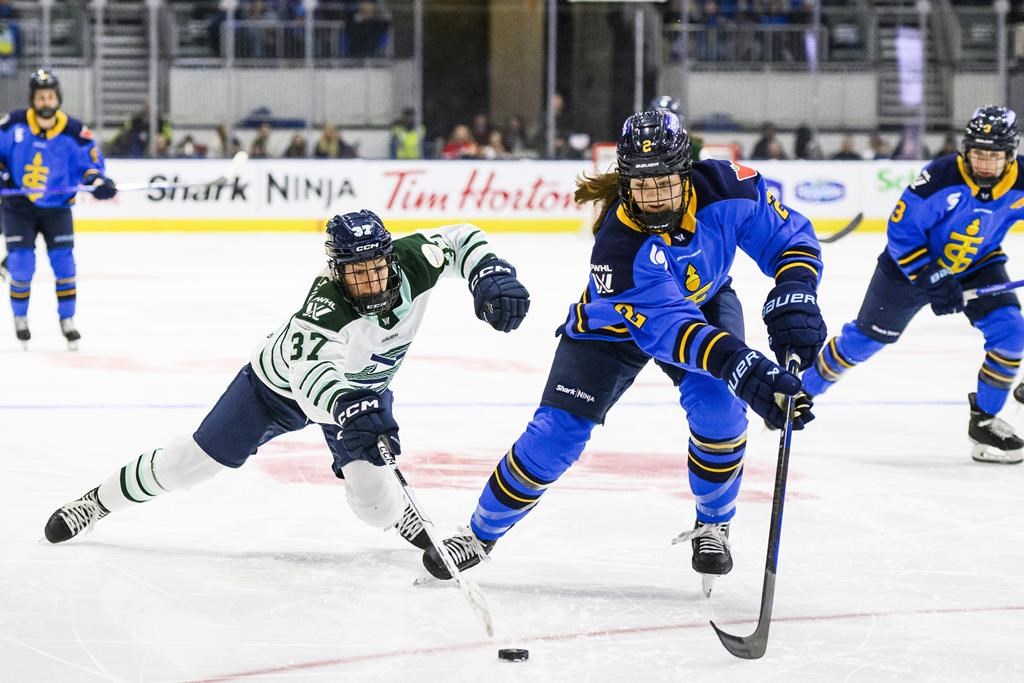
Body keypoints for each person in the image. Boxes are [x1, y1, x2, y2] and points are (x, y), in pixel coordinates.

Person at [419, 110, 825, 591]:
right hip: (613, 326)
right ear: (626, 182)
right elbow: (672, 331)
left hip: (706, 301)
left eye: (665, 183)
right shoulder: (618, 247)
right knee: (555, 435)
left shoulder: (728, 188)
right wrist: (742, 366)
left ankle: (713, 524)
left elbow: (789, 238)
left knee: (720, 411)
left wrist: (795, 291)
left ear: (687, 172)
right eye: (642, 185)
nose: (653, 198)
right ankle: (478, 534)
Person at [42, 210, 532, 548]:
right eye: (354, 273)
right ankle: (96, 503)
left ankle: (395, 507)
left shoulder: (413, 260)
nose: (368, 283)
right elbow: (309, 376)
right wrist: (347, 407)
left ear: (389, 257)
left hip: (359, 393)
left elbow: (460, 237)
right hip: (276, 390)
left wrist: (487, 271)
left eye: (375, 268)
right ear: (336, 271)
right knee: (188, 464)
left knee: (375, 511)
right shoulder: (323, 307)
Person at [802, 106, 1024, 465]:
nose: (983, 164)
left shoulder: (1021, 179)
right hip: (909, 269)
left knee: (1012, 333)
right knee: (865, 340)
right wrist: (932, 275)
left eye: (993, 157)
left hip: (977, 263)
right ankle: (800, 390)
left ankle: (984, 421)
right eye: (978, 153)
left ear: (1010, 156)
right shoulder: (940, 178)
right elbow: (901, 233)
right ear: (966, 150)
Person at [0, 69, 117, 349]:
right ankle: (20, 319)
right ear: (33, 99)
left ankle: (67, 321)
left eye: (50, 96)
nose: (46, 101)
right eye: (40, 97)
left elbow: (90, 165)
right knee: (22, 265)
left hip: (57, 208)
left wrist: (97, 181)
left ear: (58, 98)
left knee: (65, 265)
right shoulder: (12, 124)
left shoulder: (75, 131)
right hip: (18, 206)